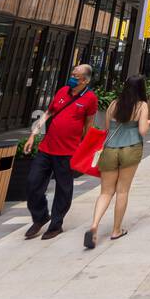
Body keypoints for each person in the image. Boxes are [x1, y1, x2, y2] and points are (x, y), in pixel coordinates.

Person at [25, 64, 97, 241]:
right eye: (72, 73)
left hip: (68, 151)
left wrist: (85, 148)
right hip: (47, 147)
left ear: (85, 80)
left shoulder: (90, 98)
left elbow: (89, 124)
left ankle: (56, 224)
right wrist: (33, 134)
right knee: (32, 183)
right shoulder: (62, 91)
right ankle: (40, 217)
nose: (72, 77)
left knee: (64, 189)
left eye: (76, 75)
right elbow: (48, 113)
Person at [86, 76, 150, 249]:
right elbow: (143, 130)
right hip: (130, 148)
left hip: (109, 150)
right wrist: (149, 123)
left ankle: (94, 225)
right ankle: (116, 230)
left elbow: (107, 129)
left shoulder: (113, 104)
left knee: (106, 192)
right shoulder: (141, 106)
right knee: (122, 191)